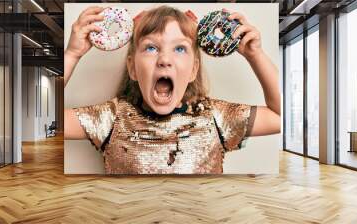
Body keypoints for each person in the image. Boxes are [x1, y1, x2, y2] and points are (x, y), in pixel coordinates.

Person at [64, 5, 280, 174]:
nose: (165, 59)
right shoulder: (111, 118)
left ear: (194, 68)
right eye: (151, 47)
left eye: (179, 48)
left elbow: (279, 116)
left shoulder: (215, 116)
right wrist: (72, 54)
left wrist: (255, 55)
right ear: (133, 68)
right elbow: (52, 123)